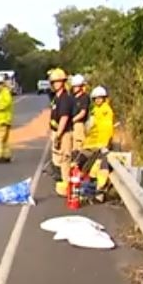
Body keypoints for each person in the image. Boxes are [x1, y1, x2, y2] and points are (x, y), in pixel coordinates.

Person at [75, 85, 115, 202]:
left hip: (101, 145)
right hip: (93, 145)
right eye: (96, 98)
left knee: (98, 169)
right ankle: (90, 192)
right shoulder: (95, 111)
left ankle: (98, 195)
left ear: (104, 98)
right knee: (86, 166)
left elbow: (107, 129)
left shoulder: (105, 111)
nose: (98, 100)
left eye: (100, 98)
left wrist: (105, 145)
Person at [48, 68, 74, 196]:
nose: (54, 84)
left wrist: (58, 135)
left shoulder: (64, 98)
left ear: (62, 82)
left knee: (65, 160)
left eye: (57, 82)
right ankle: (63, 185)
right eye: (53, 82)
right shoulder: (56, 98)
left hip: (63, 134)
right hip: (57, 132)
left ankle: (67, 186)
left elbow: (64, 118)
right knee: (57, 159)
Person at [70, 74, 90, 153]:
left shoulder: (84, 97)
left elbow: (82, 113)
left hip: (79, 124)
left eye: (77, 86)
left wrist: (72, 120)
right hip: (70, 125)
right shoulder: (72, 97)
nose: (75, 88)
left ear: (81, 86)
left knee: (78, 146)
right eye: (74, 86)